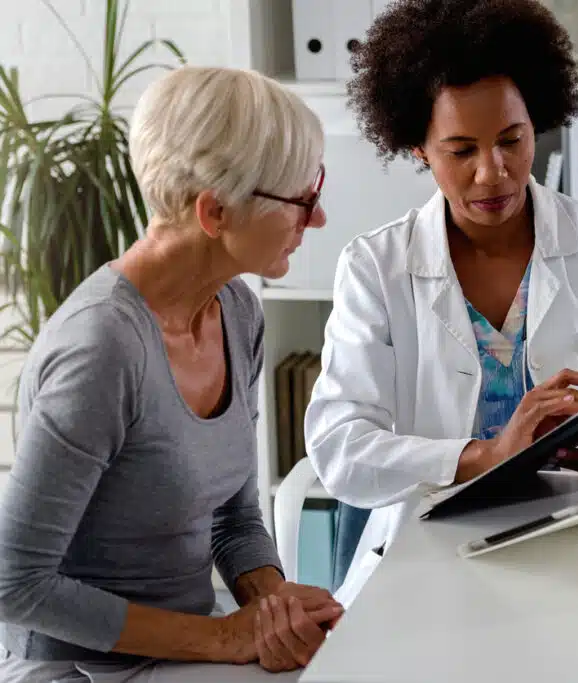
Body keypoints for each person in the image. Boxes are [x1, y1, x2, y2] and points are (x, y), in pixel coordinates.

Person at [305, 0, 578, 603]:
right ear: (418, 147)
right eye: (461, 150)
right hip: (427, 563)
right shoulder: (375, 268)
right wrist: (487, 455)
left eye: (513, 140)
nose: (494, 172)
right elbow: (341, 448)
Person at [0, 66, 343, 682]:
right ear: (215, 212)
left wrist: (272, 607)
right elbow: (14, 583)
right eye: (302, 198)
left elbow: (233, 519)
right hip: (80, 670)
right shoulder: (101, 350)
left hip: (183, 651)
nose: (315, 220)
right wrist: (221, 639)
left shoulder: (237, 312)